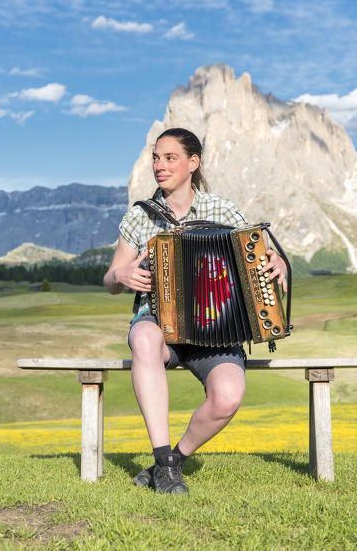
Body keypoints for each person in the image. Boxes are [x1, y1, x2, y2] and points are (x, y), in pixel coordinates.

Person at [103, 128, 287, 495]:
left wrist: (279, 261)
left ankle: (172, 461)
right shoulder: (140, 216)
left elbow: (263, 253)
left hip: (217, 327)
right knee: (142, 337)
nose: (159, 165)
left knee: (228, 396)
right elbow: (110, 279)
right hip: (158, 325)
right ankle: (163, 460)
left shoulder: (222, 209)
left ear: (193, 163)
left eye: (169, 158)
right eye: (156, 157)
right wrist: (120, 274)